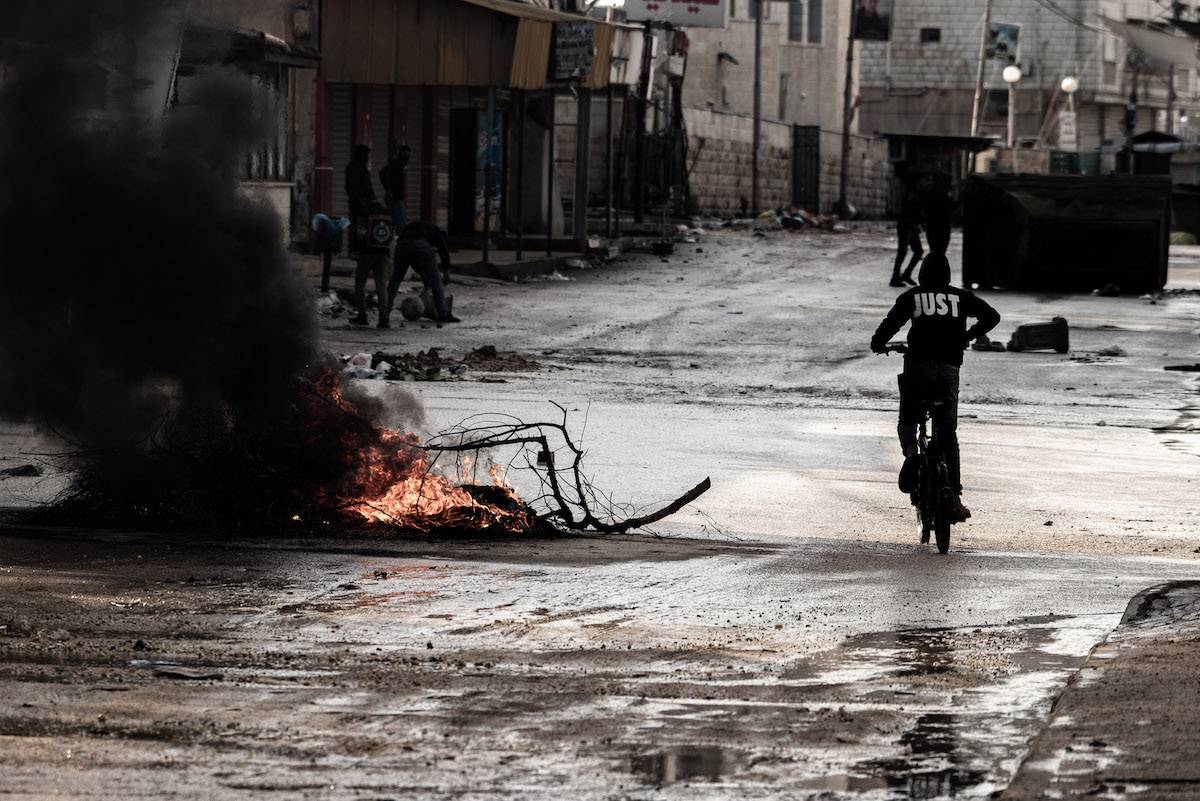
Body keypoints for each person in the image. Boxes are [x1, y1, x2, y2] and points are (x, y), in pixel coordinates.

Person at [870, 253, 1000, 522]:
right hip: (949, 369)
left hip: (918, 367)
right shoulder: (960, 298)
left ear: (922, 274)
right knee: (947, 433)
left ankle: (910, 454)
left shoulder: (912, 297)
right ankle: (954, 495)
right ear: (948, 276)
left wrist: (878, 344)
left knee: (908, 416)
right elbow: (992, 316)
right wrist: (966, 337)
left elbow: (890, 324)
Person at [386, 220, 459, 324]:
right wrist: (446, 273)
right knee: (436, 280)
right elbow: (444, 253)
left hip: (401, 245)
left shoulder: (420, 227)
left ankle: (384, 313)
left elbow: (413, 260)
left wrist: (423, 273)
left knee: (396, 279)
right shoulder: (438, 233)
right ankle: (443, 314)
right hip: (420, 245)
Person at [351, 202, 395, 328]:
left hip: (367, 253)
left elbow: (360, 234)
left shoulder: (364, 211)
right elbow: (392, 235)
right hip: (383, 253)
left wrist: (357, 250)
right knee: (381, 286)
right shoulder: (385, 211)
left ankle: (362, 316)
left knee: (360, 284)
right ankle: (384, 319)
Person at [892, 174, 924, 287]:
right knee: (903, 251)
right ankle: (895, 277)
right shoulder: (911, 193)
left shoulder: (915, 193)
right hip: (906, 224)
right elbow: (910, 210)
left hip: (910, 225)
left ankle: (906, 274)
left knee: (918, 251)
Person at [344, 144, 375, 252]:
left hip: (357, 201)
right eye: (366, 155)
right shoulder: (359, 167)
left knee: (357, 225)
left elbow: (348, 186)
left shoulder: (352, 166)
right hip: (360, 201)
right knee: (361, 226)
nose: (368, 157)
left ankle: (355, 249)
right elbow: (365, 185)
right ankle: (358, 249)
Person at [922, 172, 956, 257]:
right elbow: (952, 207)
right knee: (940, 253)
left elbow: (924, 209)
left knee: (934, 252)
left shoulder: (929, 193)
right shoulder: (945, 195)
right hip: (942, 228)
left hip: (932, 227)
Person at [379, 144, 412, 231]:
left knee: (395, 223)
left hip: (395, 197)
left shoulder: (396, 164)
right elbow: (383, 174)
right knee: (400, 224)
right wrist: (388, 190)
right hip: (396, 198)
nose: (408, 159)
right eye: (406, 155)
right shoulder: (397, 164)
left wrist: (387, 189)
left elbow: (382, 173)